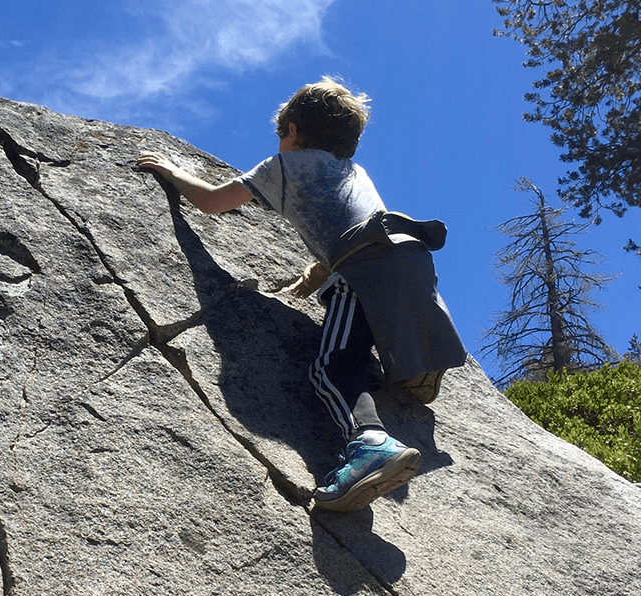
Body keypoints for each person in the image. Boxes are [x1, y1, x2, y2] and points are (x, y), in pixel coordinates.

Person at [137, 77, 466, 513]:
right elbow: (353, 229)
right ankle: (415, 361)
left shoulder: (281, 168)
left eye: (279, 135)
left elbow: (212, 202)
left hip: (362, 270)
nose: (277, 141)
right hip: (410, 259)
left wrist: (171, 170)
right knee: (375, 319)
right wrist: (310, 281)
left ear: (291, 130)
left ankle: (371, 445)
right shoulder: (355, 173)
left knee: (332, 366)